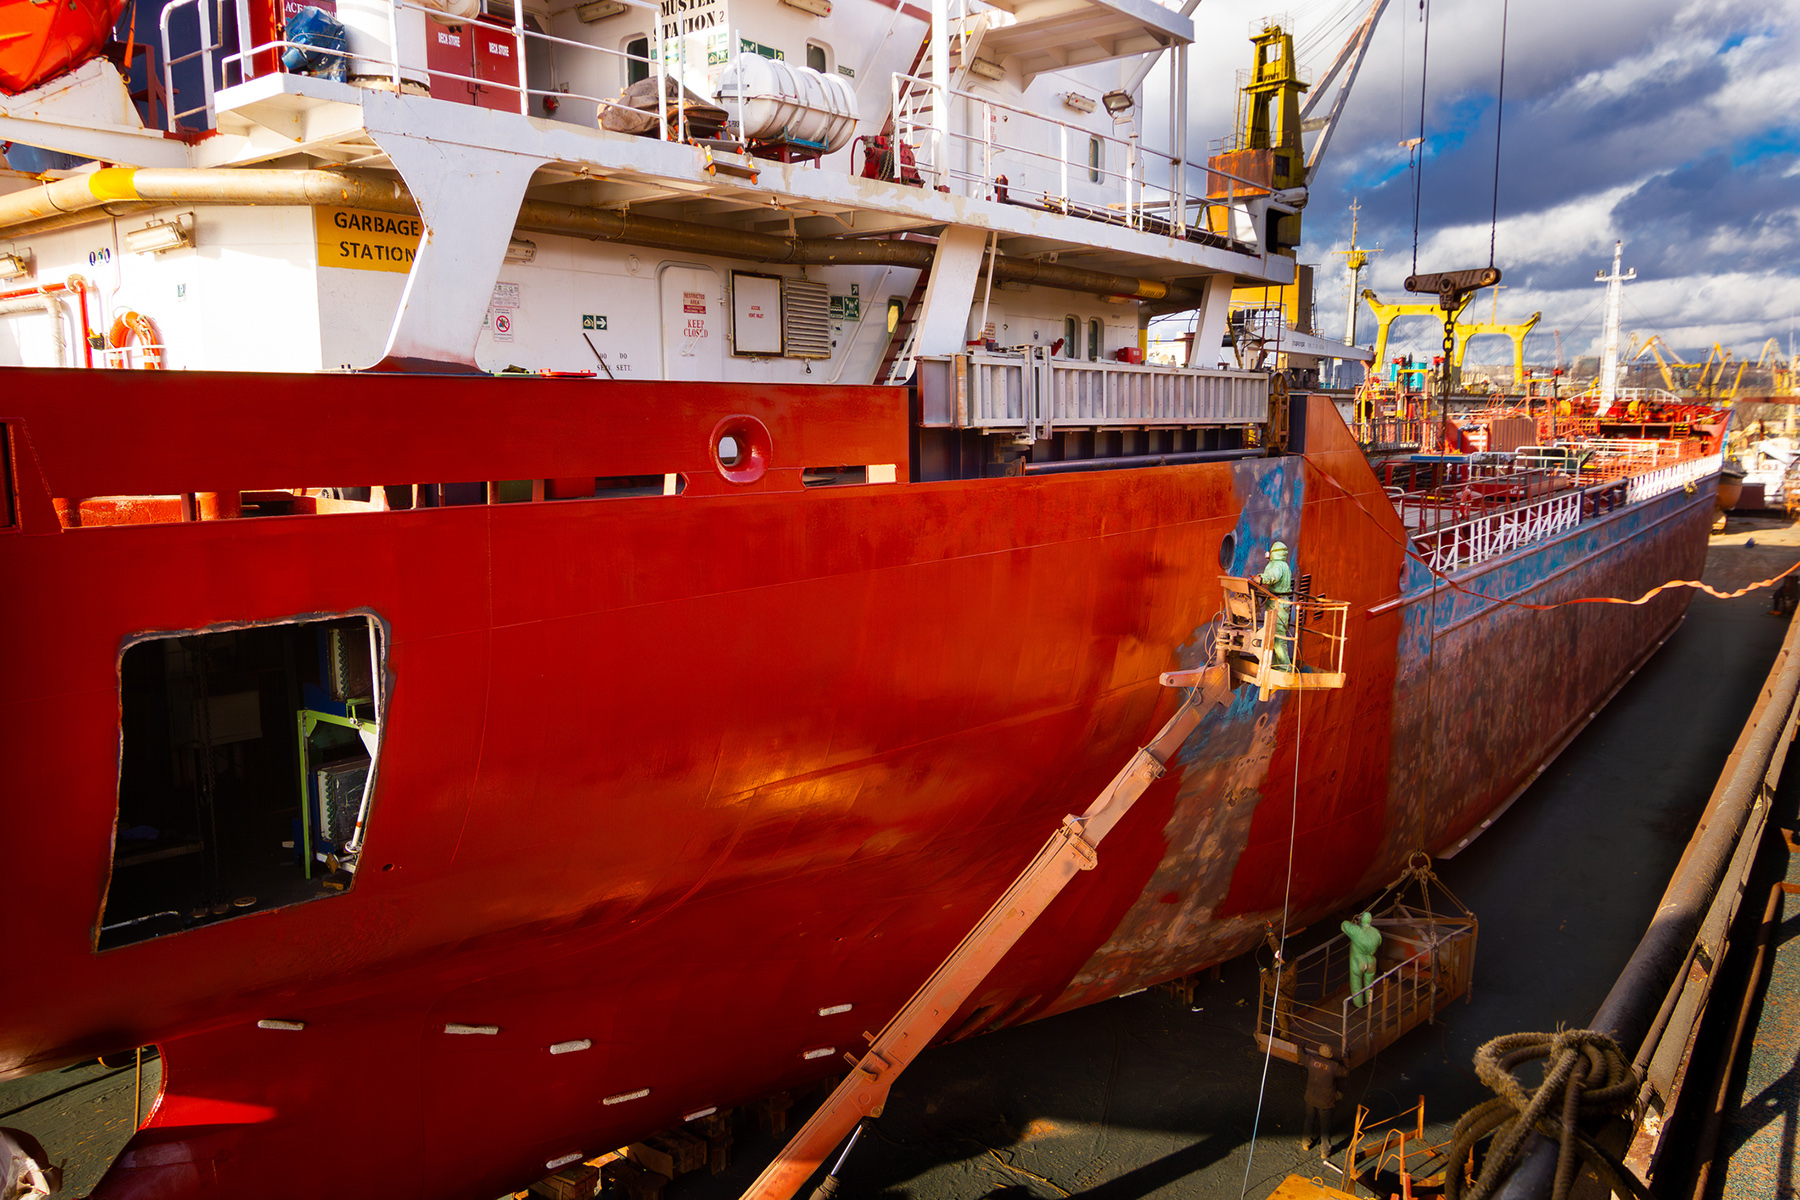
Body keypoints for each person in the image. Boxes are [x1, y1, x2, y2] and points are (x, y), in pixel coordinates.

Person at [1301, 1043, 1347, 1155]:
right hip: (1326, 1102)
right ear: (1330, 1055)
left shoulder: (1311, 1060)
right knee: (1325, 1127)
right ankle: (1324, 1151)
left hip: (1311, 1098)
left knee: (1309, 1119)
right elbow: (1345, 1072)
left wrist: (1301, 1046)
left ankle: (1306, 1144)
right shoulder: (1333, 1066)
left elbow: (1301, 1056)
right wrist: (1346, 1057)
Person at [1257, 542, 1293, 667]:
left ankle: (1284, 667)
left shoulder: (1277, 565)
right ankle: (1277, 665)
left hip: (1278, 604)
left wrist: (1261, 579)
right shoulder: (1283, 565)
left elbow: (1273, 576)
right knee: (1275, 636)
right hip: (1279, 603)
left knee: (1277, 637)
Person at [1342, 911, 1382, 1009]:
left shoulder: (1357, 931)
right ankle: (1369, 1002)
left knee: (1356, 982)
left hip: (1359, 960)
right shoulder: (1376, 933)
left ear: (1362, 919)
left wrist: (1355, 921)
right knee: (1369, 983)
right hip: (1371, 961)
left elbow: (1344, 925)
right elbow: (1379, 943)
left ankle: (1358, 1005)